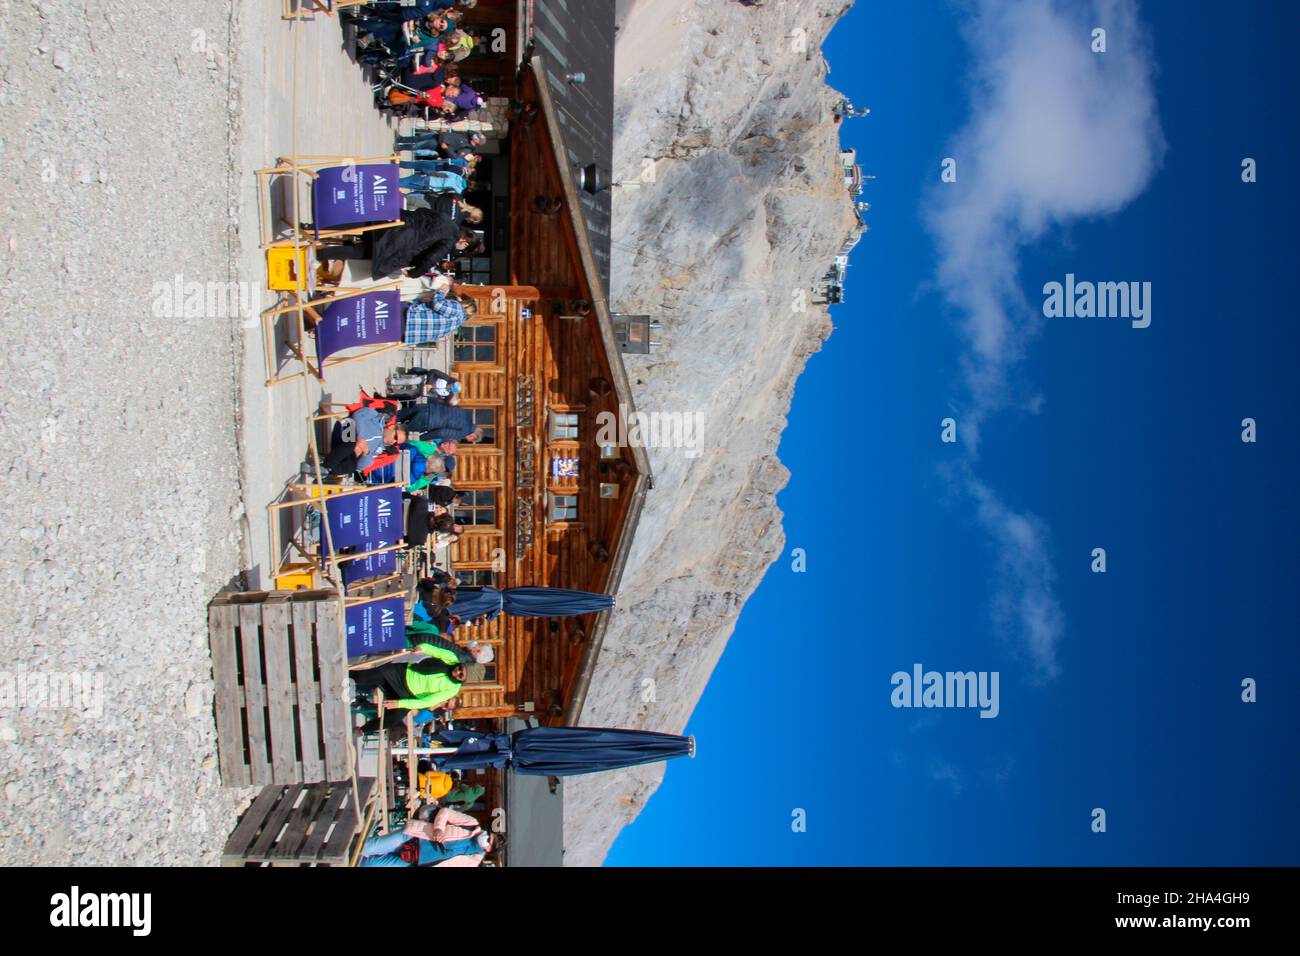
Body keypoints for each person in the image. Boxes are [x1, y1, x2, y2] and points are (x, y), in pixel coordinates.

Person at [313, 204, 466, 279]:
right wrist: (415, 273)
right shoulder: (449, 241)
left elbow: (421, 211)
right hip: (399, 246)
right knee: (359, 251)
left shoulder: (446, 218)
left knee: (357, 227)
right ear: (464, 240)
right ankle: (319, 254)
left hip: (398, 225)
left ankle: (315, 228)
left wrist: (401, 216)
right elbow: (430, 258)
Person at [350, 641, 467, 711]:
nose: (457, 672)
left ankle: (359, 701)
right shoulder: (452, 658)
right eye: (460, 668)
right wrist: (423, 648)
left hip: (406, 690)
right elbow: (433, 650)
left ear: (461, 681)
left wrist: (401, 704)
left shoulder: (452, 689)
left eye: (460, 675)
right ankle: (351, 674)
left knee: (395, 716)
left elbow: (427, 702)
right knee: (374, 671)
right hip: (406, 669)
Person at [357, 810, 495, 867]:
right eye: (488, 833)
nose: (486, 835)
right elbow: (445, 812)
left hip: (414, 862)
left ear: (487, 849)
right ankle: (337, 846)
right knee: (368, 847)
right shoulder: (472, 824)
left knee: (369, 864)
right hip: (413, 837)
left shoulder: (472, 862)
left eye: (489, 839)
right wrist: (438, 829)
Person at [401, 288, 479, 346]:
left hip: (408, 318)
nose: (460, 299)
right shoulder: (455, 325)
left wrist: (442, 291)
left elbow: (437, 304)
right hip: (407, 334)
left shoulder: (458, 309)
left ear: (466, 304)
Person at [398, 399, 483, 443]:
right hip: (427, 421)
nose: (467, 440)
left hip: (428, 407)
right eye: (471, 440)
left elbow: (446, 405)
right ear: (473, 437)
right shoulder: (463, 432)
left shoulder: (465, 413)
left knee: (395, 415)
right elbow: (441, 433)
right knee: (398, 432)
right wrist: (421, 438)